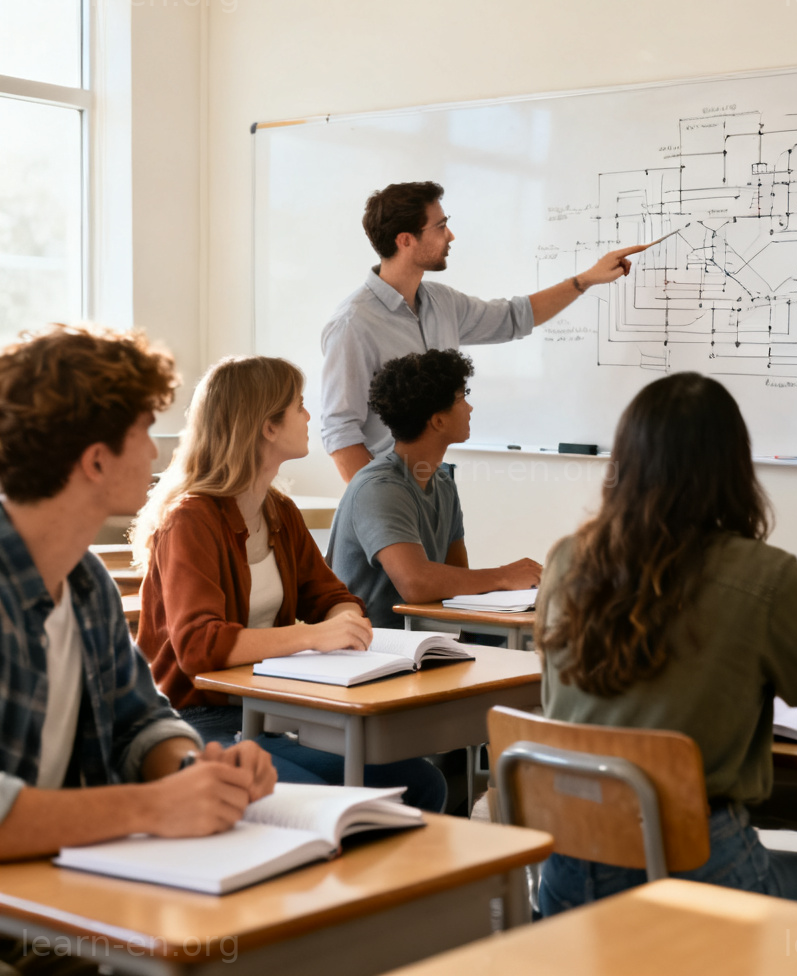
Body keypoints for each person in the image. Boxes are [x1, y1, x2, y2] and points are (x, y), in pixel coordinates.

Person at [533, 372, 797, 916]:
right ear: (734, 468)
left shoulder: (566, 561)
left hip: (565, 877)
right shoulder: (766, 578)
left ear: (624, 463)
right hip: (697, 877)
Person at [0, 325, 277, 865]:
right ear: (97, 461)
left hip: (67, 883)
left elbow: (140, 719)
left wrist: (195, 776)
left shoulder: (85, 585)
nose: (156, 450)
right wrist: (150, 808)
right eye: (146, 431)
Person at [133, 355, 447, 810]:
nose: (308, 416)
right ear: (267, 427)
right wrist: (315, 636)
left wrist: (344, 619)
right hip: (195, 719)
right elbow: (199, 645)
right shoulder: (190, 520)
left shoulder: (279, 511)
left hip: (269, 710)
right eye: (299, 406)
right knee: (319, 801)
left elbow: (332, 596)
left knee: (421, 783)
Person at [321, 180, 647, 481]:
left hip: (435, 482)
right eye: (440, 226)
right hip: (388, 491)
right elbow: (340, 431)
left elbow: (513, 317)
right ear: (405, 240)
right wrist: (377, 503)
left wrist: (585, 279)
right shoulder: (354, 324)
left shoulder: (441, 302)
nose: (450, 236)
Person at [327, 349, 542, 627]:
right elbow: (415, 583)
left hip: (428, 640)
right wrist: (503, 575)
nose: (470, 408)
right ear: (438, 421)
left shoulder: (442, 481)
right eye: (462, 398)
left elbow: (455, 579)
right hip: (375, 649)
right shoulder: (379, 488)